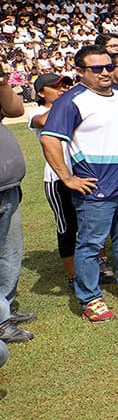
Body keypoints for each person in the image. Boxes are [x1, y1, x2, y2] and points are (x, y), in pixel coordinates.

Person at [40, 45, 118, 323]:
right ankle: (90, 299)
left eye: (109, 67)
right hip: (96, 188)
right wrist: (67, 177)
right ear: (80, 71)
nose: (104, 73)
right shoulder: (72, 101)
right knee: (90, 244)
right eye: (96, 68)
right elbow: (49, 139)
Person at [29, 72, 76, 289]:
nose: (63, 89)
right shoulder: (38, 112)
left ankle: (95, 266)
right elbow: (42, 121)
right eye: (57, 87)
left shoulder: (69, 107)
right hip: (56, 179)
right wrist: (67, 101)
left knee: (86, 223)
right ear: (40, 92)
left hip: (79, 174)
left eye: (66, 85)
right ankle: (73, 276)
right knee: (66, 226)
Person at [0, 54, 33, 344]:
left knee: (10, 253)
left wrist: (1, 80)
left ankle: (5, 308)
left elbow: (14, 109)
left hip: (8, 187)